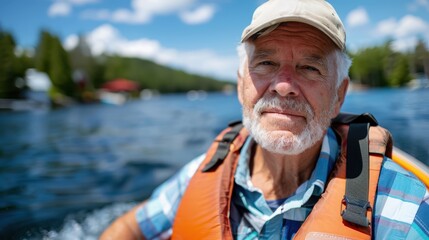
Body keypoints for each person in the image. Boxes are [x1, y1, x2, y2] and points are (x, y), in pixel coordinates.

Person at [101, 0, 429, 239]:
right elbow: (130, 228)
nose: (284, 86)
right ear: (241, 84)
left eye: (309, 68)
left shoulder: (400, 206)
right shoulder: (204, 172)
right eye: (266, 63)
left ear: (339, 95)